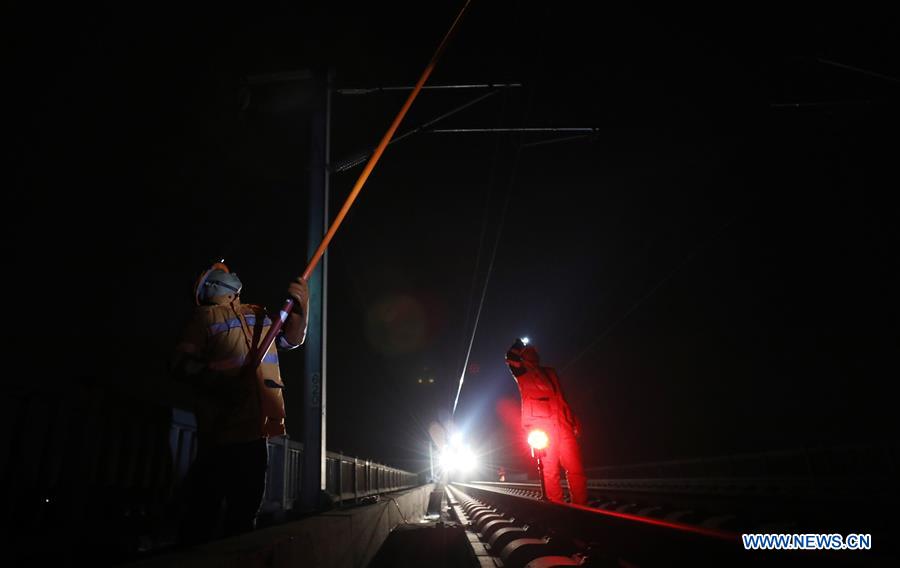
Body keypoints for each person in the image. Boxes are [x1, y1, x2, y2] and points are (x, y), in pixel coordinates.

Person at [170, 261, 309, 545]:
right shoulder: (203, 318)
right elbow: (180, 364)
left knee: (244, 516)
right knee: (202, 516)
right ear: (207, 284)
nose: (228, 272)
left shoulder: (257, 315)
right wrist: (219, 385)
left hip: (255, 433)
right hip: (219, 432)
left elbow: (290, 340)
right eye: (220, 272)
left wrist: (301, 310)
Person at [505, 338, 588, 505]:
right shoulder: (522, 373)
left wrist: (572, 417)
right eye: (529, 350)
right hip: (542, 428)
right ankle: (556, 508)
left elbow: (561, 399)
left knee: (576, 469)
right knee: (550, 470)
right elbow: (510, 358)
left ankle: (581, 507)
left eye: (534, 350)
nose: (533, 351)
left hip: (563, 425)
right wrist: (520, 343)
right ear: (523, 355)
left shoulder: (550, 372)